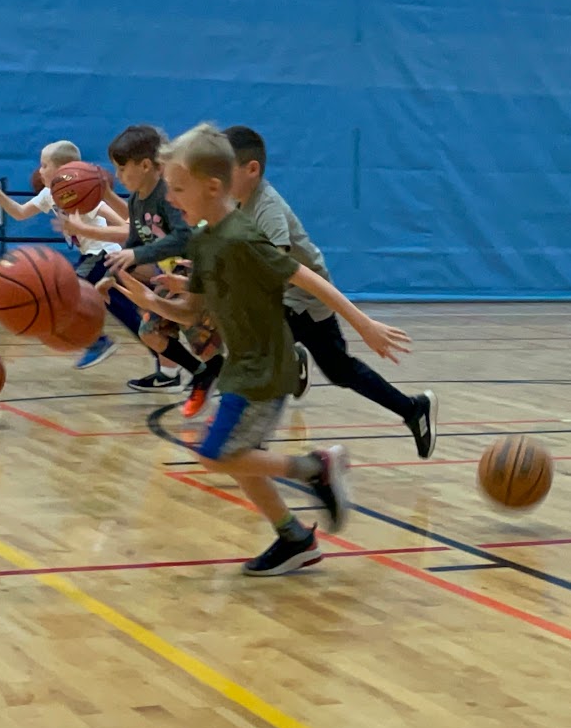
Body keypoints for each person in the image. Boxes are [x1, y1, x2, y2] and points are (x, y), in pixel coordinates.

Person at [100, 123, 412, 575]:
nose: (170, 198)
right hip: (240, 367)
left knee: (216, 454)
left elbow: (306, 276)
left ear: (212, 188)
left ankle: (315, 468)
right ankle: (294, 538)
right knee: (238, 457)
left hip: (266, 367)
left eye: (178, 189)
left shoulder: (242, 237)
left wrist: (363, 324)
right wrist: (150, 300)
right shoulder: (204, 239)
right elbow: (191, 311)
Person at [222, 125, 438, 459]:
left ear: (251, 169)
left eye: (225, 170)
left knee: (276, 357)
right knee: (338, 370)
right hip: (289, 297)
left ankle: (253, 441)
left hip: (304, 295)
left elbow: (276, 269)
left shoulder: (267, 208)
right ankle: (411, 408)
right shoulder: (238, 205)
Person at [0, 141, 132, 369]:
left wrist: (119, 232)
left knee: (65, 294)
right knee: (125, 309)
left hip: (103, 253)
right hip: (91, 255)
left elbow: (119, 221)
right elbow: (19, 213)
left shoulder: (80, 192)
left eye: (44, 165)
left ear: (63, 169)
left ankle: (98, 341)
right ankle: (157, 346)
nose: (39, 171)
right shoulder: (48, 194)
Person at [104, 125, 221, 397]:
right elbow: (135, 242)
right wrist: (110, 277)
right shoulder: (135, 200)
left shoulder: (168, 194)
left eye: (122, 168)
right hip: (169, 276)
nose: (118, 176)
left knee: (199, 337)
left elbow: (184, 236)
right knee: (149, 332)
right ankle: (201, 372)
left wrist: (137, 255)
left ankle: (221, 373)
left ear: (146, 165)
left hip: (194, 271)